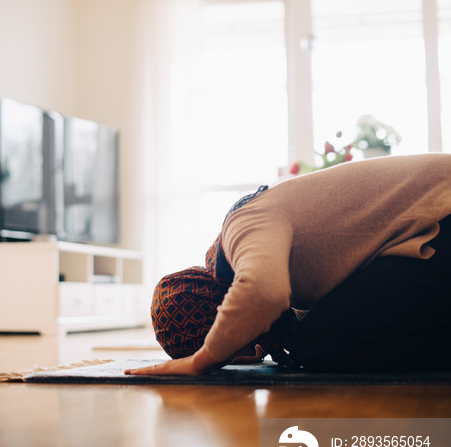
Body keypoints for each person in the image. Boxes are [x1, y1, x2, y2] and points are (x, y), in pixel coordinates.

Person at [125, 153, 451, 377]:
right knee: (314, 339)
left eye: (227, 354)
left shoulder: (241, 224)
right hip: (430, 233)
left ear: (220, 311)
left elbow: (264, 293)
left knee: (317, 344)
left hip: (439, 219)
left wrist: (201, 361)